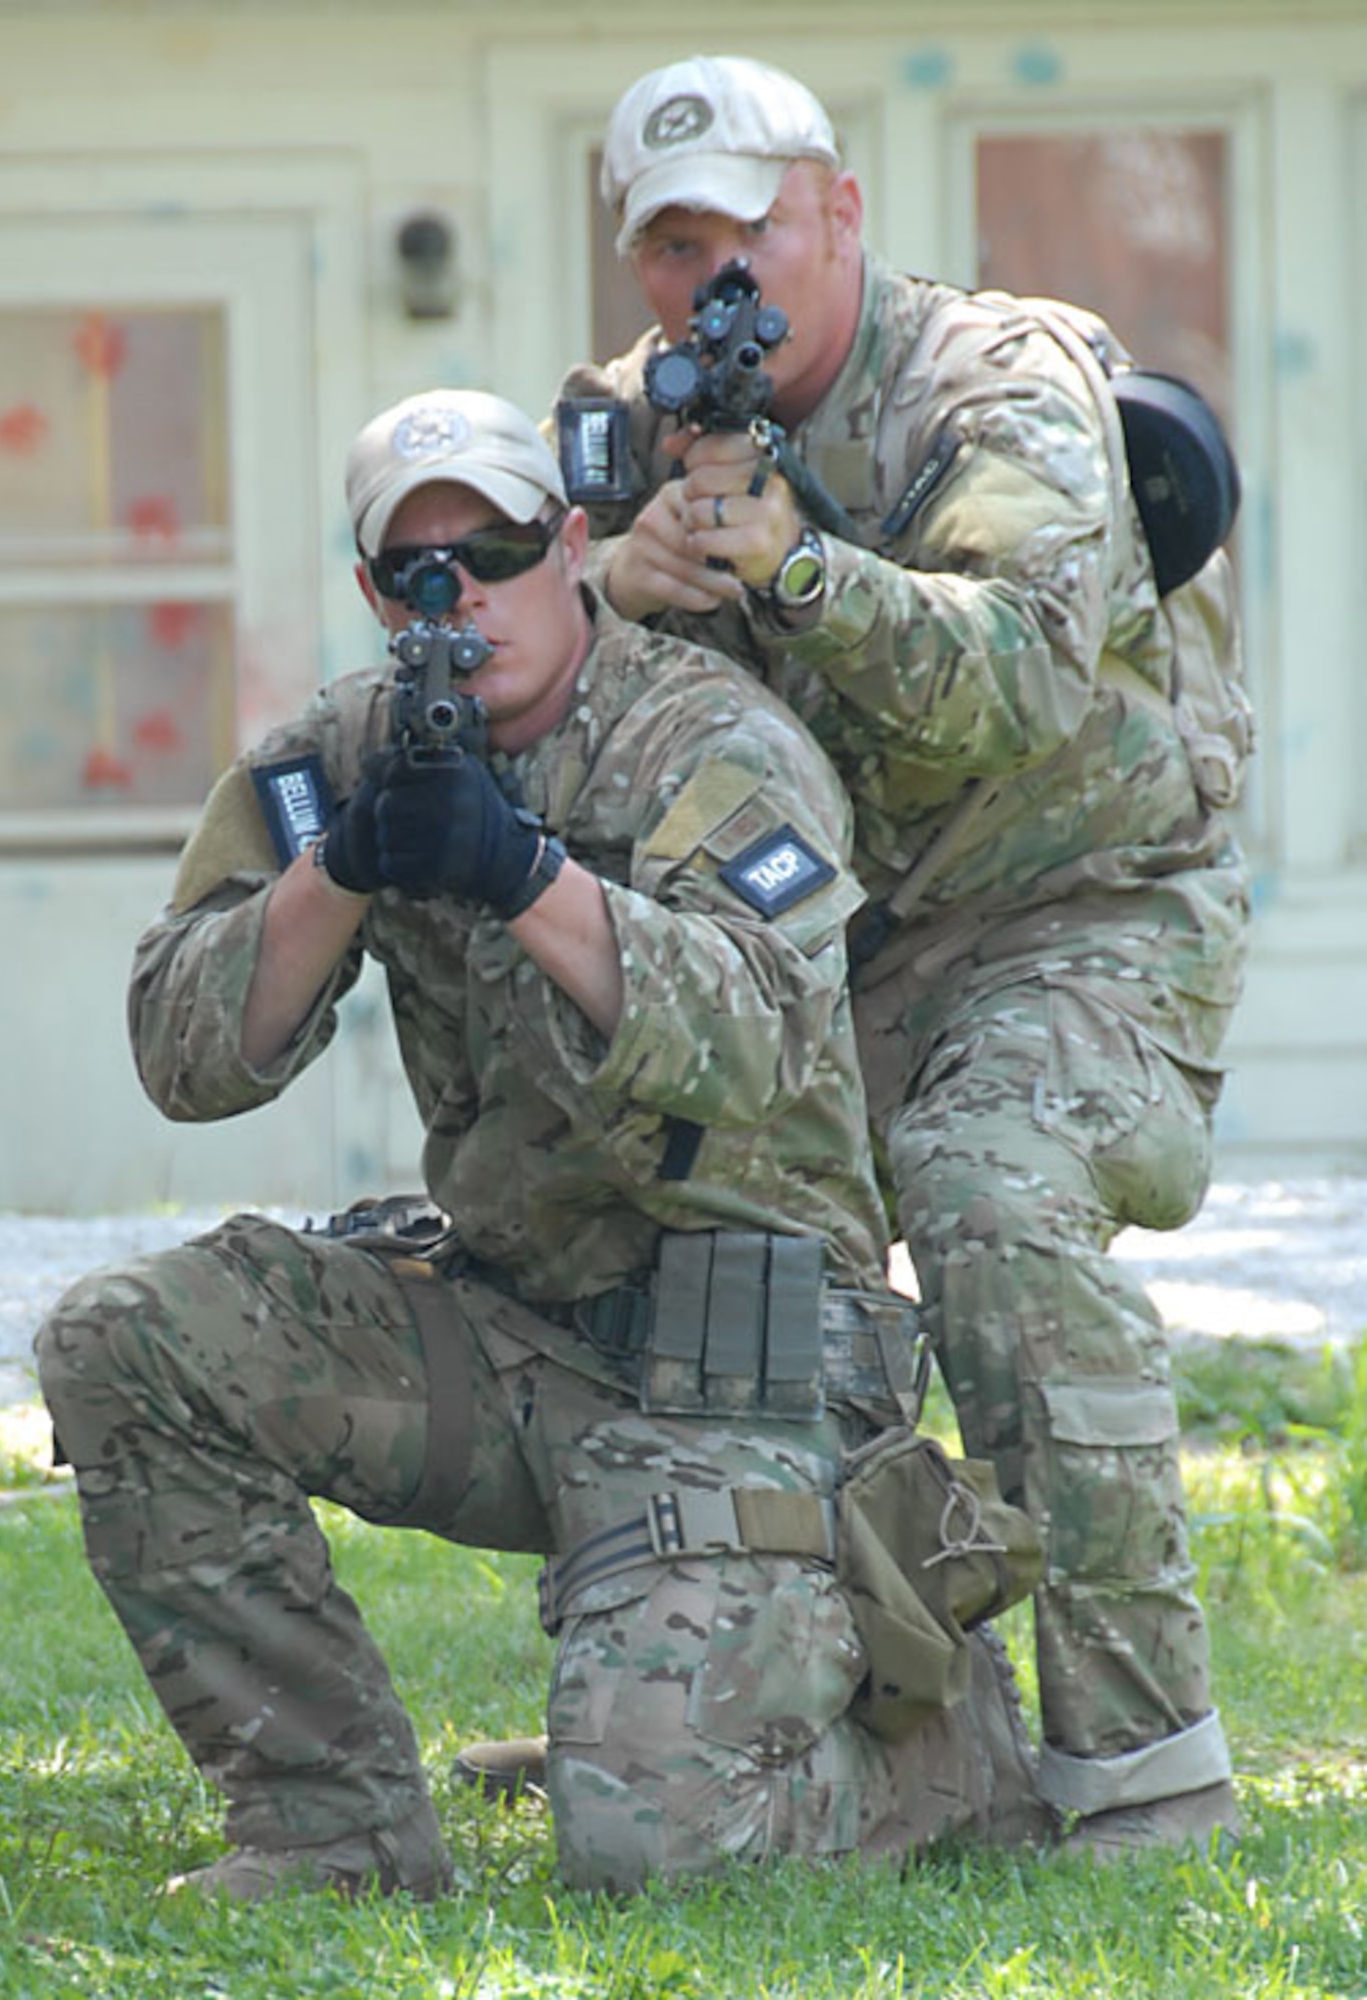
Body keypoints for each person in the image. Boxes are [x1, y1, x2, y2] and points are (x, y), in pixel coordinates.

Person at [35, 387, 1046, 1905]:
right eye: (418, 570)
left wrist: (521, 876)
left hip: (741, 1371)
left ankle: (938, 1746)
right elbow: (184, 1054)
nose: (463, 598)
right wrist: (342, 872)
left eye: (498, 551)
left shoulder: (707, 740)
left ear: (572, 547)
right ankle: (334, 1830)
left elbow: (769, 1039)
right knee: (125, 1341)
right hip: (506, 1331)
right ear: (377, 592)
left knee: (645, 1848)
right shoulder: (340, 757)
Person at [527, 53, 1254, 1861]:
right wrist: (606, 592)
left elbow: (1018, 678)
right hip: (823, 954)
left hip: (1079, 912)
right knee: (676, 1239)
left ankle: (1140, 1763)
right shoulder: (620, 430)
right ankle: (715, 1700)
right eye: (672, 244)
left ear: (838, 215)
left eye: (751, 231)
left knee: (988, 1186)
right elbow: (501, 666)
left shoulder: (997, 380)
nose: (716, 282)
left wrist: (792, 571)